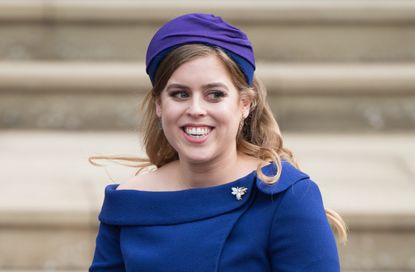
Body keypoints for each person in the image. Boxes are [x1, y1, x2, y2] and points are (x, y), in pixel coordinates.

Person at [89, 13, 347, 272]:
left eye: (215, 94)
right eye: (180, 94)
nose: (196, 109)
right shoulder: (128, 202)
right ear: (159, 105)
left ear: (244, 104)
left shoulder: (286, 197)